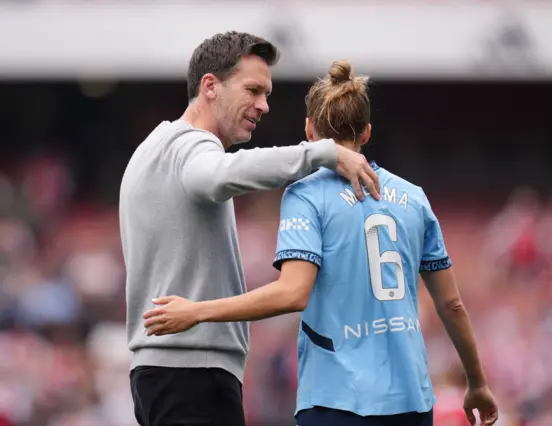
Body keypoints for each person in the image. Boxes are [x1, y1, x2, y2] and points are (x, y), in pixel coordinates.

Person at [142, 60, 499, 426]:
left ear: (309, 131)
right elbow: (452, 304)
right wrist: (477, 382)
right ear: (366, 132)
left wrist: (197, 312)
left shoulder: (306, 196)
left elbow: (291, 294)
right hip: (410, 399)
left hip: (335, 400)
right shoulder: (414, 198)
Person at [120, 32, 381, 426]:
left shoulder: (154, 147)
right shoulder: (190, 147)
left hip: (168, 371)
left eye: (267, 93)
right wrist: (324, 152)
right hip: (192, 373)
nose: (263, 105)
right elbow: (217, 175)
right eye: (253, 90)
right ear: (210, 86)